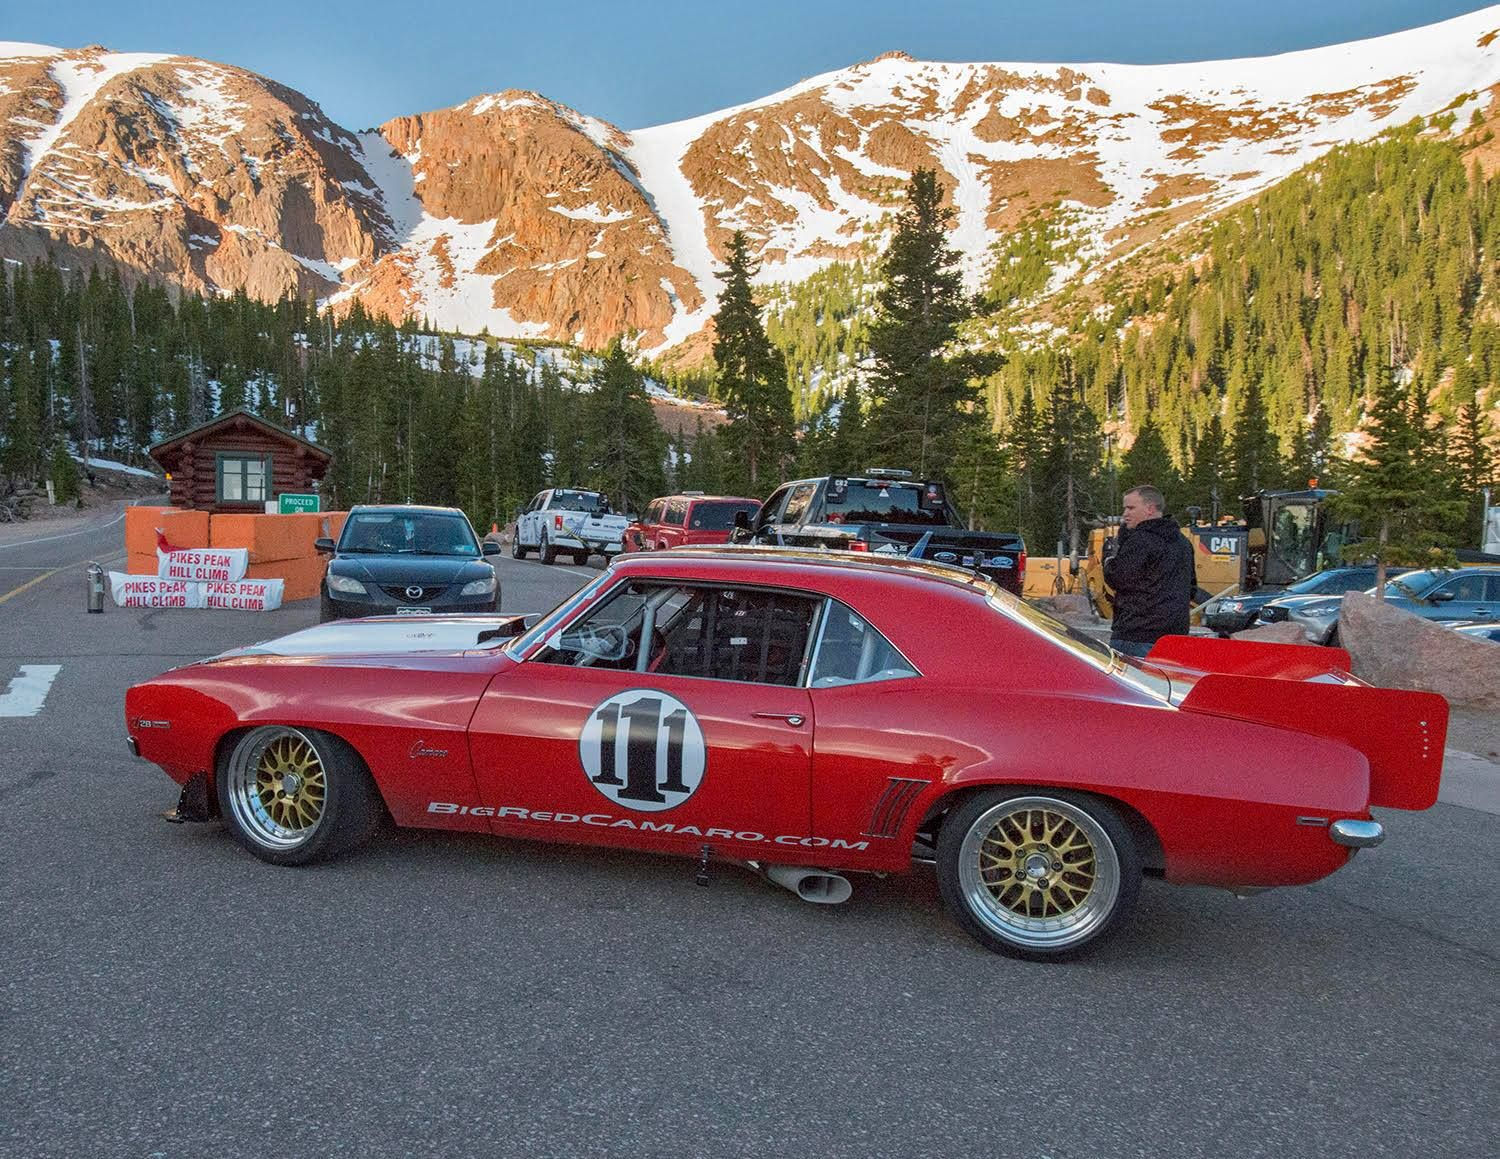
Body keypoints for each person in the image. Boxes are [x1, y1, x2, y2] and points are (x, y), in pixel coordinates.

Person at [1102, 484, 1196, 659]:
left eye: (1130, 508)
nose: (1125, 514)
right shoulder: (1183, 542)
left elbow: (1117, 578)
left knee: (1126, 686)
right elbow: (1191, 588)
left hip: (1136, 635)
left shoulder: (1140, 541)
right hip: (1174, 637)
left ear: (1150, 509)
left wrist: (1109, 558)